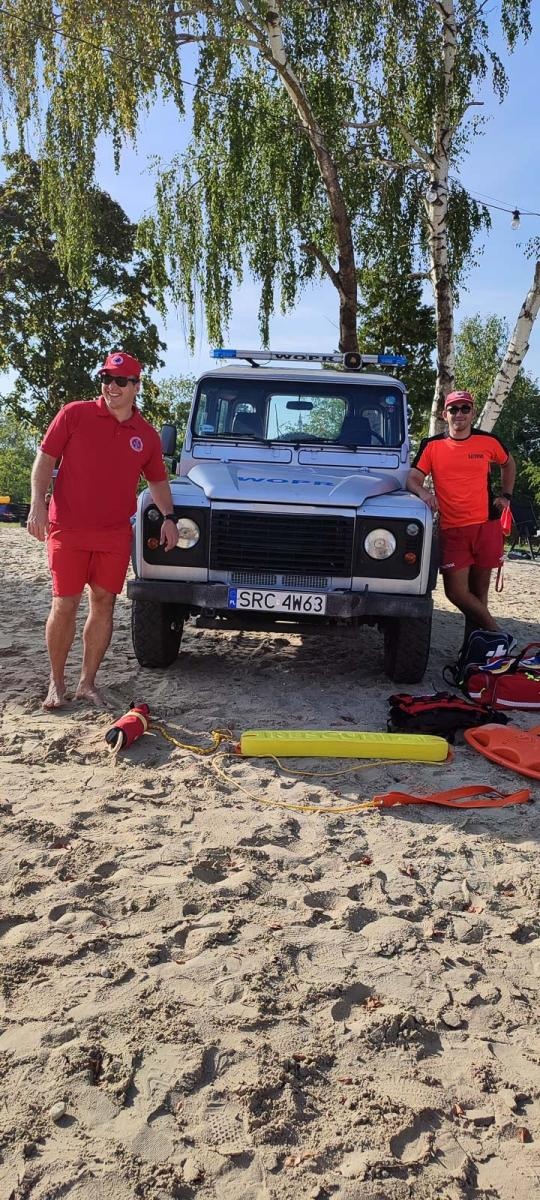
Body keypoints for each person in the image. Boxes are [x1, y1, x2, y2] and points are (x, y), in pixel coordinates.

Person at [27, 351, 179, 709]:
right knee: (64, 603)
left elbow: (157, 480)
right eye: (107, 378)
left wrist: (169, 518)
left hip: (113, 534)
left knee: (103, 604)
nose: (112, 386)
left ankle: (87, 683)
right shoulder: (74, 414)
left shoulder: (146, 435)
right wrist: (37, 503)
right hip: (68, 528)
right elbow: (46, 459)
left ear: (136, 386)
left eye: (121, 381)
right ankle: (57, 681)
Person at [407, 390, 516, 639]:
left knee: (478, 594)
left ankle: (475, 651)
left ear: (473, 413)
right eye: (453, 409)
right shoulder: (432, 445)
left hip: (486, 526)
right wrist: (424, 494)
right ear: (445, 414)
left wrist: (506, 496)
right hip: (452, 529)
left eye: (465, 408)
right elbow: (412, 478)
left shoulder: (488, 441)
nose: (459, 414)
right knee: (456, 593)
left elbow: (509, 463)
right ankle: (498, 634)